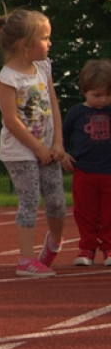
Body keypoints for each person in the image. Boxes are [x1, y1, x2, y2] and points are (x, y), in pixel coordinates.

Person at [0, 8, 66, 278]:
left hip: (46, 147)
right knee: (30, 200)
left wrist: (57, 143)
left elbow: (53, 104)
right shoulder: (7, 79)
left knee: (57, 202)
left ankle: (54, 243)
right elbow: (11, 120)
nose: (49, 43)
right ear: (24, 44)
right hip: (20, 151)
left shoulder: (43, 67)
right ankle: (25, 260)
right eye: (45, 38)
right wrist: (37, 148)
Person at [61, 58, 111, 267]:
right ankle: (86, 248)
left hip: (109, 172)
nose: (103, 100)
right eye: (96, 95)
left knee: (109, 213)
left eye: (108, 94)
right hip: (84, 171)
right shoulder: (76, 112)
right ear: (84, 90)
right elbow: (62, 135)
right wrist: (62, 153)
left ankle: (109, 248)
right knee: (85, 213)